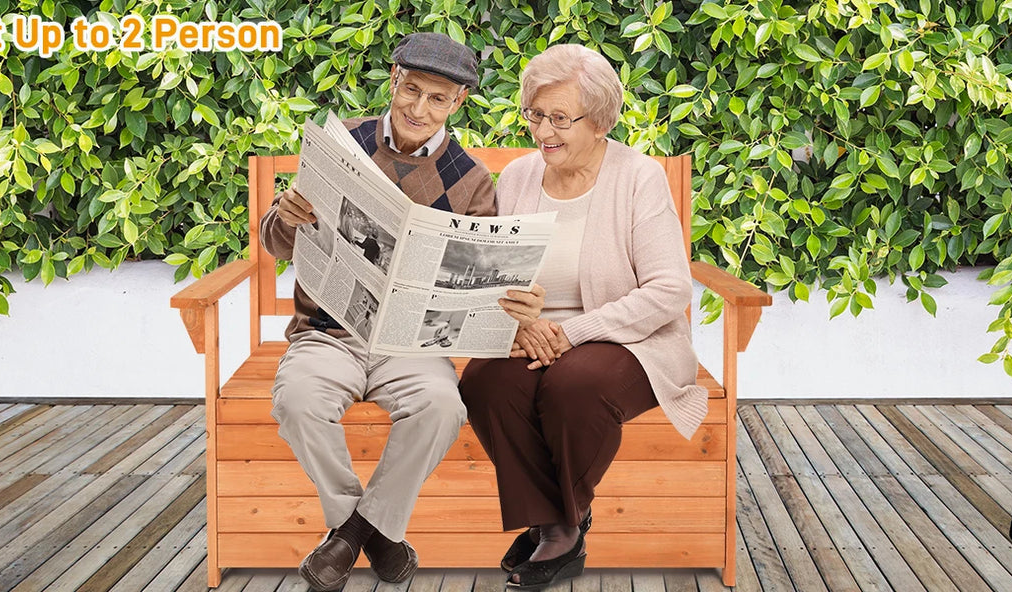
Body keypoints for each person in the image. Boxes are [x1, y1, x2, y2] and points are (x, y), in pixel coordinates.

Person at [260, 32, 545, 592]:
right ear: (393, 79)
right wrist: (286, 217)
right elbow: (277, 243)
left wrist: (513, 300)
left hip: (412, 346)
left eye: (437, 99)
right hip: (328, 334)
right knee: (296, 401)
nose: (419, 109)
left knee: (442, 407)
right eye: (410, 90)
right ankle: (377, 535)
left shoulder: (472, 179)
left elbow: (484, 285)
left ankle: (350, 537)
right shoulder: (344, 144)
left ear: (457, 102)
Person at [459, 44, 708, 590]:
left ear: (599, 122)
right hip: (533, 335)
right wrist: (522, 322)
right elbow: (500, 275)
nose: (542, 131)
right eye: (534, 114)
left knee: (574, 385)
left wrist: (571, 333)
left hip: (630, 340)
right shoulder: (520, 178)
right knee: (484, 381)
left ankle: (557, 532)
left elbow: (669, 290)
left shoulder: (638, 177)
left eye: (559, 119)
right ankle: (559, 522)